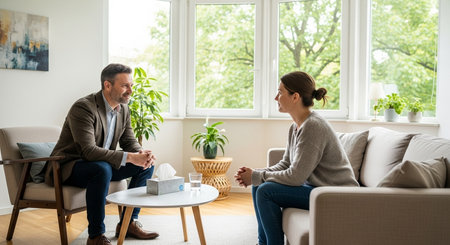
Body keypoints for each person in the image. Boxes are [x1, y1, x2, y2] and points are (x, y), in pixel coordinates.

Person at [234, 71, 359, 245]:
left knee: (265, 190)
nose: (275, 98)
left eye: (280, 92)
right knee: (258, 186)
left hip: (336, 195)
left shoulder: (313, 126)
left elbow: (296, 176)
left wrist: (257, 176)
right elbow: (286, 163)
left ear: (295, 97)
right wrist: (257, 173)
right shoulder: (296, 126)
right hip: (318, 189)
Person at [45, 63, 159, 245]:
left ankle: (128, 224)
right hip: (70, 166)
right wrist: (130, 157)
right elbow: (88, 151)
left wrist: (141, 153)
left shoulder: (124, 109)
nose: (130, 90)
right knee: (102, 168)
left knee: (146, 166)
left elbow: (129, 141)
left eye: (131, 85)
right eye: (125, 86)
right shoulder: (84, 108)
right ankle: (96, 236)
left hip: (101, 164)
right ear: (107, 85)